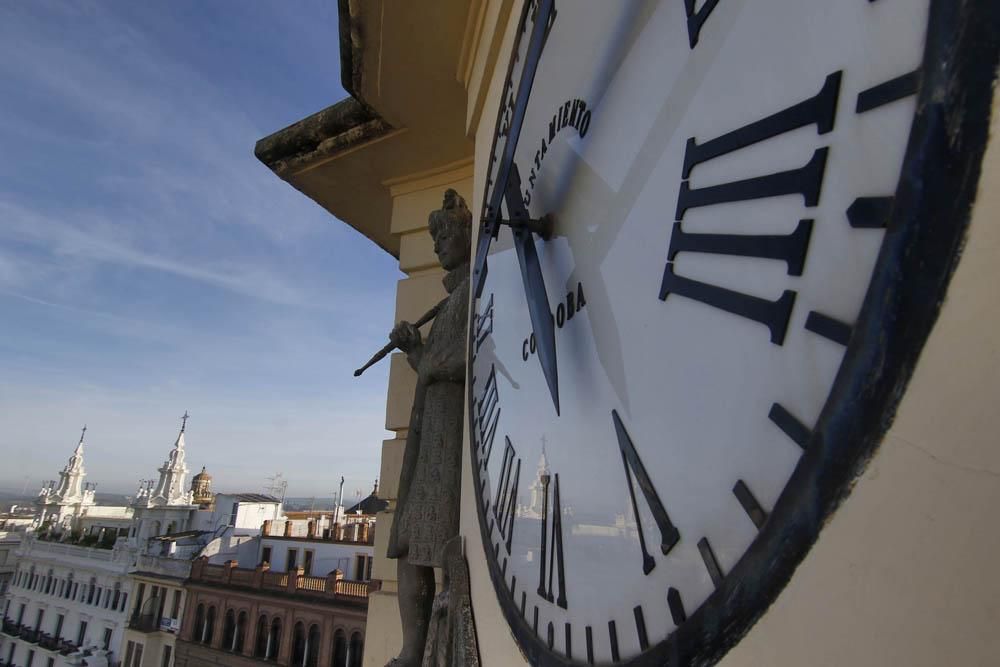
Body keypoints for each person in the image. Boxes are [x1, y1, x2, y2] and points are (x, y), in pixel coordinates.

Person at [385, 189, 471, 666]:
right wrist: (415, 350)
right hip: (432, 436)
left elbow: (470, 356)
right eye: (435, 238)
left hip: (449, 440)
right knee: (410, 546)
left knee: (432, 542)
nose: (437, 245)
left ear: (466, 235)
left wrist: (428, 359)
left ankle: (429, 651)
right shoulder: (454, 298)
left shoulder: (474, 293)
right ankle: (413, 651)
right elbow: (437, 365)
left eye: (445, 235)